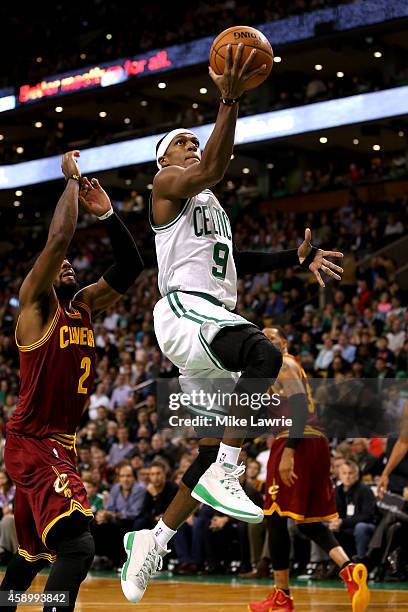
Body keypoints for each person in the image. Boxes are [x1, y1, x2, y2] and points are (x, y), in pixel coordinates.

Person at [121, 46, 343, 603]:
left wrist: (294, 259)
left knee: (211, 443)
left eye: (194, 140)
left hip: (210, 318)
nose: (191, 145)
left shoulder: (208, 202)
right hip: (184, 311)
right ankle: (227, 469)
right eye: (181, 144)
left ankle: (153, 538)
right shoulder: (168, 187)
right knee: (264, 354)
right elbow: (214, 165)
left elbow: (236, 257)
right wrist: (228, 97)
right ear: (163, 161)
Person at [0, 151, 143, 612]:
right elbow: (60, 236)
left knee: (32, 555)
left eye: (70, 264)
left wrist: (109, 216)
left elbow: (130, 267)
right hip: (35, 441)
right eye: (59, 263)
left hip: (59, 442)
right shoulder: (36, 303)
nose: (68, 265)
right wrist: (70, 182)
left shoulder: (83, 303)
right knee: (78, 546)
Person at [248, 327, 369, 612]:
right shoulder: (276, 372)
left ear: (285, 344)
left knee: (275, 517)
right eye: (263, 340)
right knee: (307, 521)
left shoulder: (284, 364)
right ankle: (349, 570)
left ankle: (282, 596)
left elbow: (300, 408)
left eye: (273, 339)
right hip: (314, 442)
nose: (267, 343)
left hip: (296, 440)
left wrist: (289, 450)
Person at [330, 461, 376, 557]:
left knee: (361, 527)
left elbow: (367, 516)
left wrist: (343, 522)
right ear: (339, 476)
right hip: (344, 525)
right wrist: (334, 521)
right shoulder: (337, 491)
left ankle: (361, 559)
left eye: (350, 473)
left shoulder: (365, 490)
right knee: (322, 525)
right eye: (344, 473)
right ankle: (326, 562)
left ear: (356, 475)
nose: (347, 477)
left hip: (365, 525)